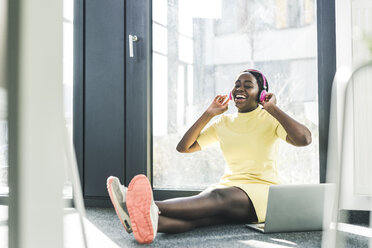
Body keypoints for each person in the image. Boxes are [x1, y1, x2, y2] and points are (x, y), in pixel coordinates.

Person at [107, 69, 312, 244]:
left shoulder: (269, 118)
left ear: (261, 94)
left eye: (247, 85)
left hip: (261, 192)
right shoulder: (223, 123)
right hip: (229, 188)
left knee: (216, 197)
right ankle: (145, 220)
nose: (239, 88)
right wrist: (209, 113)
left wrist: (272, 108)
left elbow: (304, 139)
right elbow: (184, 147)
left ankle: (138, 203)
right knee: (199, 219)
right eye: (236, 84)